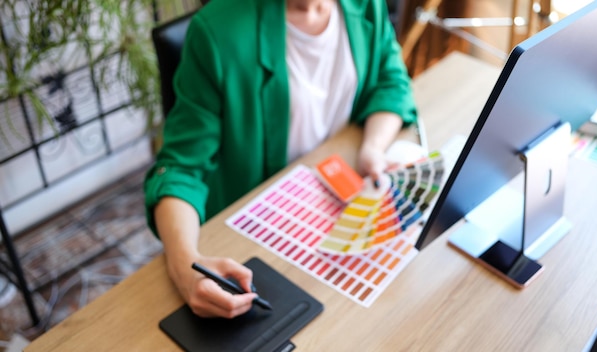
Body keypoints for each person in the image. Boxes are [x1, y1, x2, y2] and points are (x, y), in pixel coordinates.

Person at [144, 0, 418, 319]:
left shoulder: (365, 6)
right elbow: (180, 168)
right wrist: (185, 265)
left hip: (333, 201)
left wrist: (372, 147)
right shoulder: (217, 32)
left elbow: (391, 82)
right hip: (256, 235)